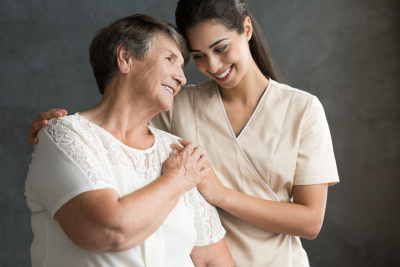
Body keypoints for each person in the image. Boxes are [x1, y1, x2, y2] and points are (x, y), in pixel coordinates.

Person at [27, 0, 340, 266]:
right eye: (199, 56)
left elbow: (310, 222)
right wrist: (55, 129)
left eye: (220, 48)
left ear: (246, 30)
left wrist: (219, 194)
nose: (213, 65)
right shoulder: (179, 104)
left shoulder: (303, 110)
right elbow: (117, 123)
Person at [25, 14, 234, 267]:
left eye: (182, 67)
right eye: (170, 59)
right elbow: (107, 230)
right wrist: (177, 179)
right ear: (125, 58)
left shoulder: (179, 151)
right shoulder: (63, 134)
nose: (182, 78)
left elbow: (214, 261)